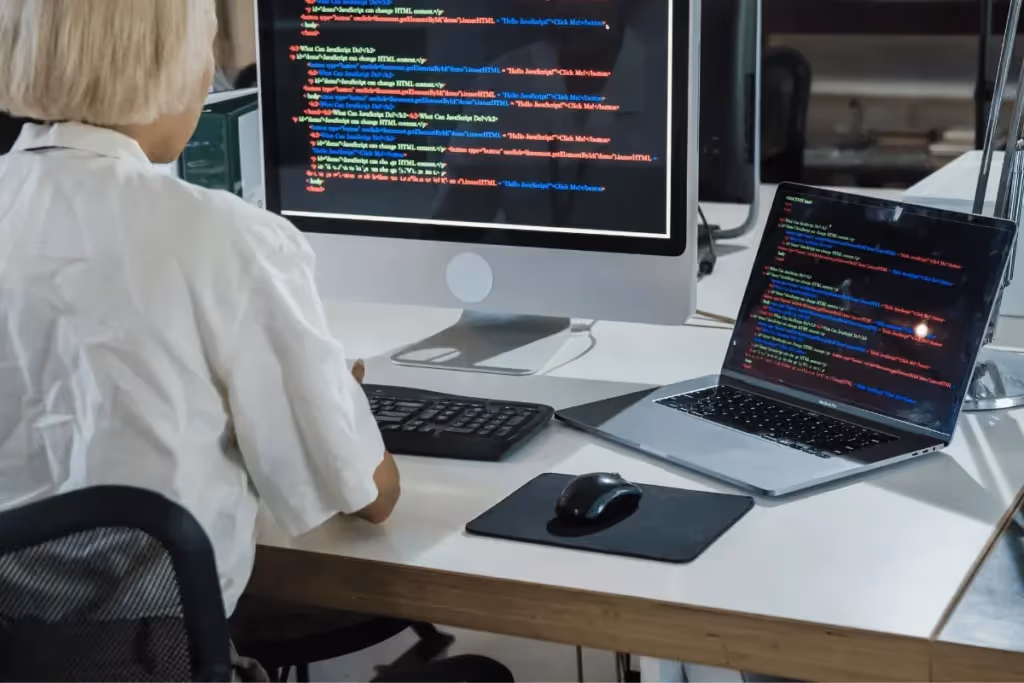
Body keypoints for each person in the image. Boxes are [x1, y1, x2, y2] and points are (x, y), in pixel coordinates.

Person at [0, 0, 400, 667]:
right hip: (150, 660)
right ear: (166, 64)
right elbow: (364, 492)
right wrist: (333, 396)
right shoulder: (224, 239)